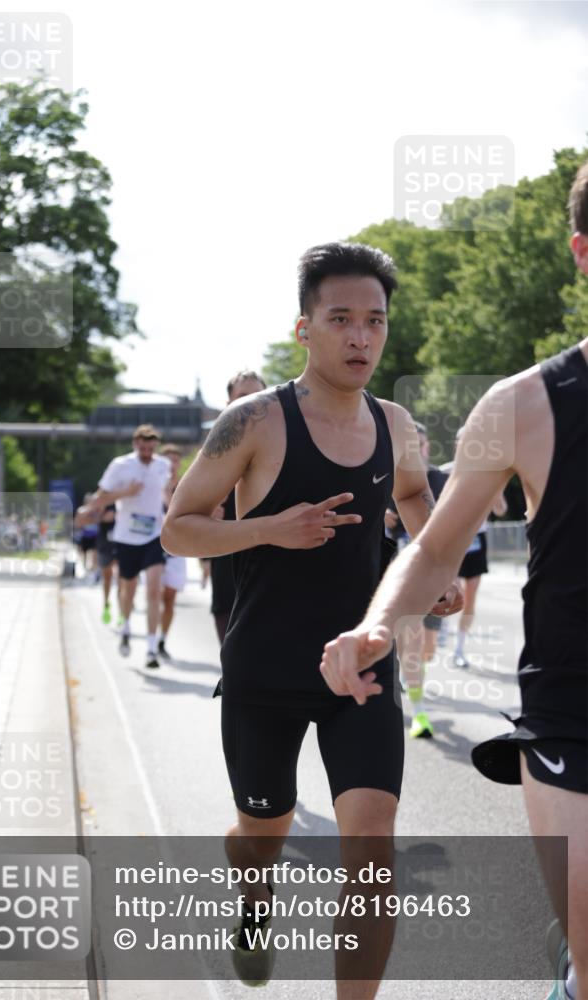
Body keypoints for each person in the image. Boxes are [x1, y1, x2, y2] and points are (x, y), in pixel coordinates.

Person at [163, 242, 461, 995]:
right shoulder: (253, 421)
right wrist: (267, 527)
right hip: (264, 666)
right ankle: (254, 904)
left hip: (360, 666)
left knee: (370, 848)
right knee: (262, 834)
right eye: (340, 320)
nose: (360, 337)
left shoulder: (395, 424)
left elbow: (415, 498)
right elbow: (179, 528)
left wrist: (435, 566)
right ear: (305, 329)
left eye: (374, 321)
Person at [321, 162, 588, 1000]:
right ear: (582, 253)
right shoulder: (519, 407)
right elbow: (435, 547)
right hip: (573, 712)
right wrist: (377, 623)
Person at [386, 422, 449, 739]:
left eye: (423, 444)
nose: (420, 450)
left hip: (435, 573)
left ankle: (405, 675)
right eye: (414, 445)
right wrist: (379, 514)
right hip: (402, 571)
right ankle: (420, 713)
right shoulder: (388, 475)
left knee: (427, 648)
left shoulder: (440, 478)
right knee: (410, 642)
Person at [92, 425, 170, 668]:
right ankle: (125, 624)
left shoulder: (163, 465)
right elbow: (99, 499)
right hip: (126, 536)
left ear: (155, 446)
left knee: (155, 589)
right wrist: (127, 492)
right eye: (142, 447)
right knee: (129, 588)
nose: (147, 452)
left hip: (154, 535)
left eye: (151, 448)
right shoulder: (120, 465)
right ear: (135, 444)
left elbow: (167, 495)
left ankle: (150, 649)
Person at [209, 370, 267, 645]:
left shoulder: (287, 440)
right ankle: (231, 675)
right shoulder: (216, 447)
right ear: (228, 403)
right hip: (228, 545)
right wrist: (207, 512)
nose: (251, 402)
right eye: (243, 396)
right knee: (226, 610)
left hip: (273, 545)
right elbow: (188, 510)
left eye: (258, 395)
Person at [449, 428, 508, 669]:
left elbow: (501, 510)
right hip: (452, 539)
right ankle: (439, 629)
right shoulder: (445, 472)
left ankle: (459, 648)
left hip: (476, 539)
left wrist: (495, 490)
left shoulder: (491, 474)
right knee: (449, 593)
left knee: (469, 597)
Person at [157, 444, 187, 661]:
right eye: (168, 460)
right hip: (153, 547)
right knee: (155, 594)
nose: (172, 465)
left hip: (176, 548)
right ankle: (151, 635)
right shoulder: (153, 484)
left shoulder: (187, 485)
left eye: (176, 460)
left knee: (169, 598)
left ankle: (161, 640)